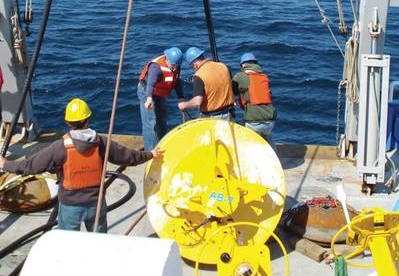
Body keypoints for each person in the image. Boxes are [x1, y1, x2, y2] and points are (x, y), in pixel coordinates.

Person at [0, 97, 163, 232]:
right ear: (87, 119)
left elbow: (30, 166)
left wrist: (5, 164)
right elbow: (129, 157)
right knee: (98, 242)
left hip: (70, 206)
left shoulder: (60, 147)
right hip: (96, 204)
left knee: (69, 244)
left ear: (67, 122)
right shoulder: (101, 143)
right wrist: (150, 154)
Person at [138, 47, 185, 150]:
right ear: (167, 59)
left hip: (160, 94)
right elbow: (150, 84)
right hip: (147, 92)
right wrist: (149, 99)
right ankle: (151, 152)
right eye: (173, 65)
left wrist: (181, 97)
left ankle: (162, 146)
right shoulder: (156, 67)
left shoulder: (176, 65)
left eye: (176, 65)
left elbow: (176, 81)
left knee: (162, 119)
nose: (174, 68)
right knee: (151, 123)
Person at [178, 47, 235, 120]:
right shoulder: (223, 66)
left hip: (212, 117)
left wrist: (184, 105)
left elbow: (197, 101)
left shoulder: (199, 75)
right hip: (229, 114)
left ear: (194, 64)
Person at [232, 52, 277, 146]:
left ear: (243, 65)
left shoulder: (240, 76)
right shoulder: (263, 77)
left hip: (254, 120)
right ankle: (273, 158)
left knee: (247, 141)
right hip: (270, 119)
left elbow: (231, 90)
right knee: (268, 139)